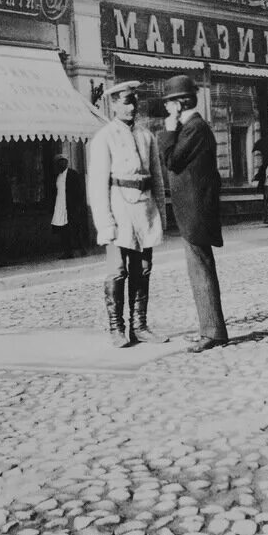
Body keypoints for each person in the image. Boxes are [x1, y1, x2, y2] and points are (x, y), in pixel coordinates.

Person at [87, 81, 169, 347]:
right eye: (125, 101)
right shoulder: (104, 138)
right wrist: (105, 224)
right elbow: (97, 186)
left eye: (134, 101)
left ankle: (140, 326)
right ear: (113, 105)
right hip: (119, 210)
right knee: (117, 271)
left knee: (143, 269)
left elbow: (156, 178)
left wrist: (161, 215)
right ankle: (116, 329)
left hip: (144, 209)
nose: (131, 107)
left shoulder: (147, 136)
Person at [157, 74, 229, 353]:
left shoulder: (194, 129)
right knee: (199, 268)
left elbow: (172, 161)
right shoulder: (195, 128)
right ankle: (209, 328)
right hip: (195, 211)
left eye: (169, 103)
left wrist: (168, 129)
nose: (166, 109)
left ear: (180, 103)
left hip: (196, 212)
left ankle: (212, 331)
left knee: (200, 271)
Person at [50, 156, 88, 259]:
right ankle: (67, 252)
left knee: (74, 229)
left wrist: (78, 205)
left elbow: (79, 191)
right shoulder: (58, 176)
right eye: (58, 163)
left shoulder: (72, 174)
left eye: (62, 162)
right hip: (60, 206)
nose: (60, 165)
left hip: (71, 206)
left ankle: (81, 249)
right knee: (63, 230)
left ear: (66, 163)